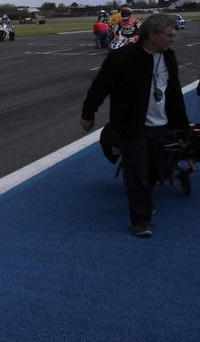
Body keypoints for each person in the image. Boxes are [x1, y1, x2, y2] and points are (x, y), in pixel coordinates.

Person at [80, 13, 190, 237]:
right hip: (131, 125)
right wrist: (88, 113)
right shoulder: (123, 57)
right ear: (153, 35)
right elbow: (101, 85)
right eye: (168, 35)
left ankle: (144, 200)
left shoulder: (168, 57)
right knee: (137, 172)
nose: (172, 39)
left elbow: (174, 91)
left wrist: (181, 124)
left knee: (154, 170)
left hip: (160, 125)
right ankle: (141, 220)